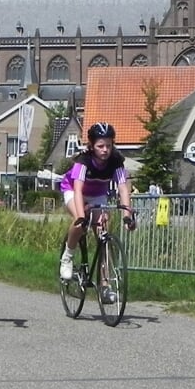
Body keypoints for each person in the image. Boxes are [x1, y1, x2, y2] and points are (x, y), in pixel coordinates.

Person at [58, 122, 135, 304]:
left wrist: (127, 214)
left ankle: (105, 286)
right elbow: (77, 191)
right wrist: (82, 216)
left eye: (108, 145)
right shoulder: (83, 161)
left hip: (97, 195)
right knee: (80, 220)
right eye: (100, 146)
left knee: (103, 234)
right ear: (91, 146)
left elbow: (123, 188)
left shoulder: (116, 161)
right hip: (74, 190)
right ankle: (67, 257)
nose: (105, 150)